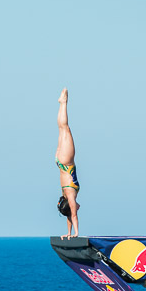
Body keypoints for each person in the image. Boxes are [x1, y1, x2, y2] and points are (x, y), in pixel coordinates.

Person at [56, 88, 80, 238]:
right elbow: (69, 216)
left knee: (65, 128)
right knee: (61, 129)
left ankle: (63, 103)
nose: (77, 209)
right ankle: (61, 104)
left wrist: (76, 233)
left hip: (66, 161)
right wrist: (68, 233)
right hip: (60, 161)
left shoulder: (70, 195)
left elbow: (73, 215)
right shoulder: (65, 195)